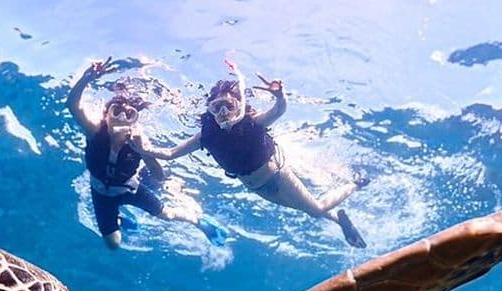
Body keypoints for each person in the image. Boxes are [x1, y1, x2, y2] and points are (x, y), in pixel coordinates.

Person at [130, 62, 369, 248]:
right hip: (256, 187)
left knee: (315, 210)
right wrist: (143, 149)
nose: (223, 112)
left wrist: (279, 95)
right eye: (216, 108)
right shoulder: (206, 137)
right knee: (305, 209)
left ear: (238, 105)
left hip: (278, 176)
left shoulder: (251, 122)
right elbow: (170, 154)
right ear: (210, 111)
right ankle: (341, 223)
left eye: (228, 106)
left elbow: (278, 111)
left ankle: (354, 185)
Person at [66, 57, 225, 250]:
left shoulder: (139, 140)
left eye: (130, 114)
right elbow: (73, 106)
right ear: (106, 114)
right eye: (116, 111)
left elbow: (159, 176)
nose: (122, 118)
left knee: (167, 215)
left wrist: (144, 151)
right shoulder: (94, 131)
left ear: (135, 120)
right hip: (101, 194)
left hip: (130, 189)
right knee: (113, 244)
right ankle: (119, 219)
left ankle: (198, 221)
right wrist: (86, 79)